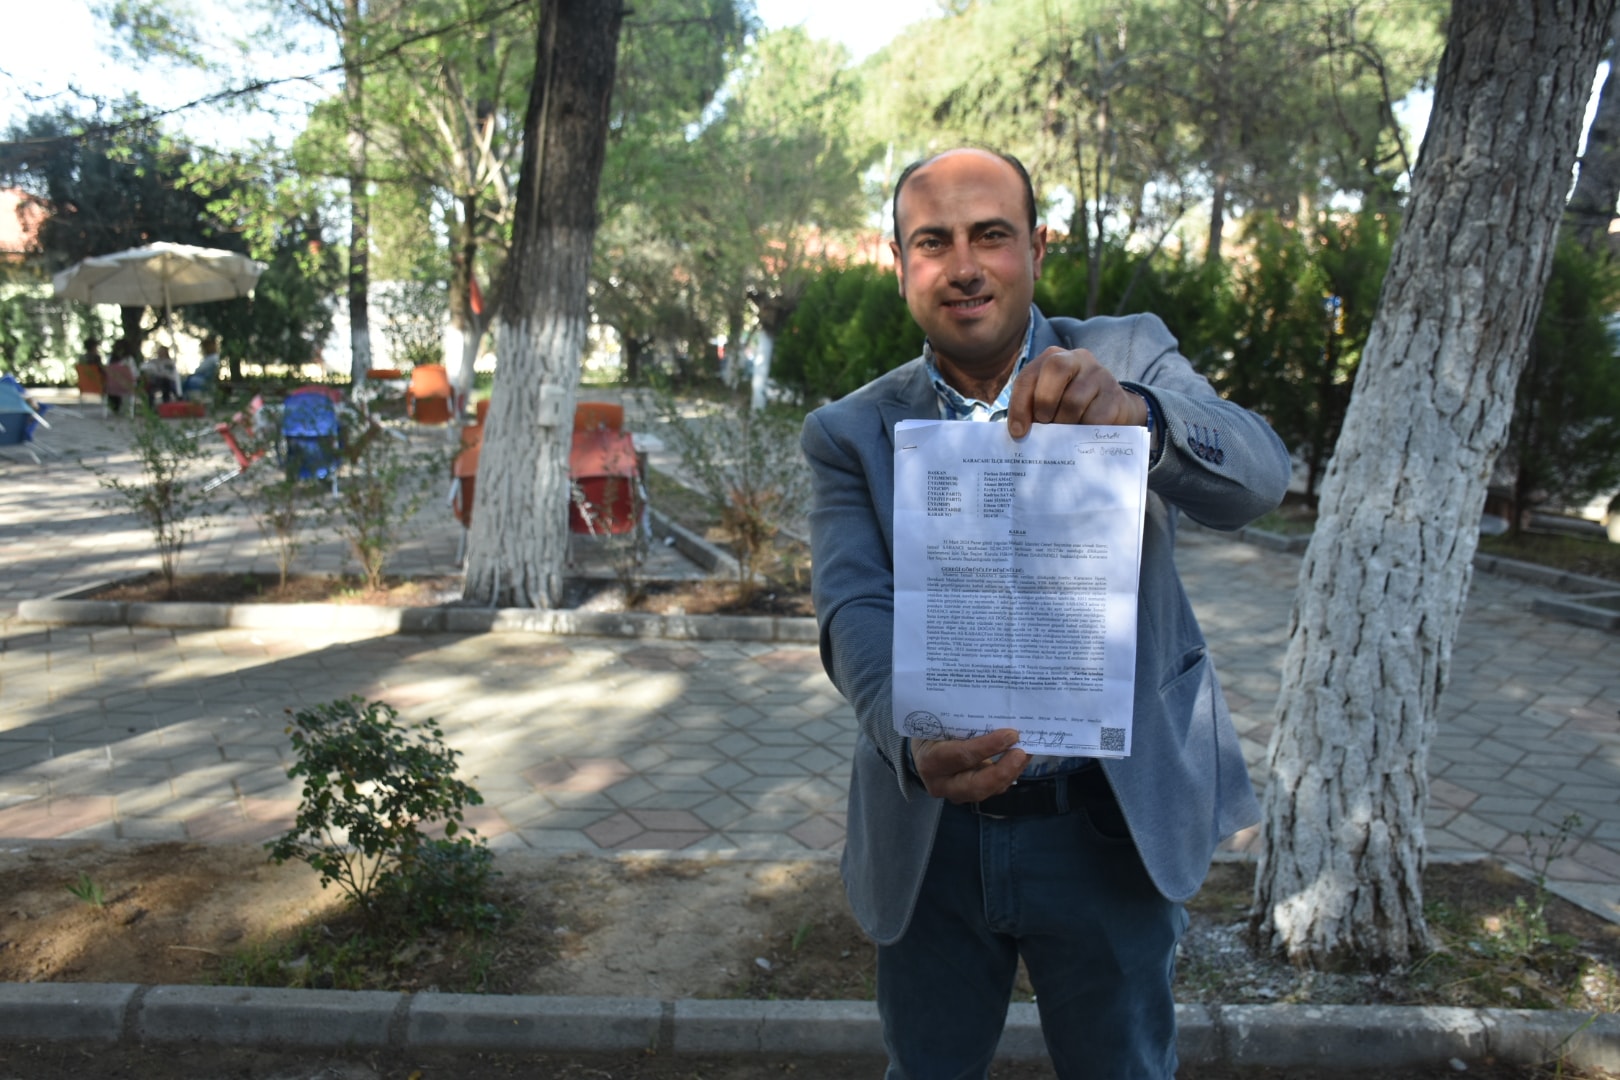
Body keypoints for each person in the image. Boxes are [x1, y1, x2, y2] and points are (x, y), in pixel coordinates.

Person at [799, 148, 1293, 1079]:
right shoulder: (850, 432)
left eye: (991, 235)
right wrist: (910, 734)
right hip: (934, 831)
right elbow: (853, 606)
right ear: (899, 263)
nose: (964, 266)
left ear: (1036, 247)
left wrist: (1141, 417)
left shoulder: (1127, 355)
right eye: (933, 242)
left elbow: (1261, 476)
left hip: (1109, 821)